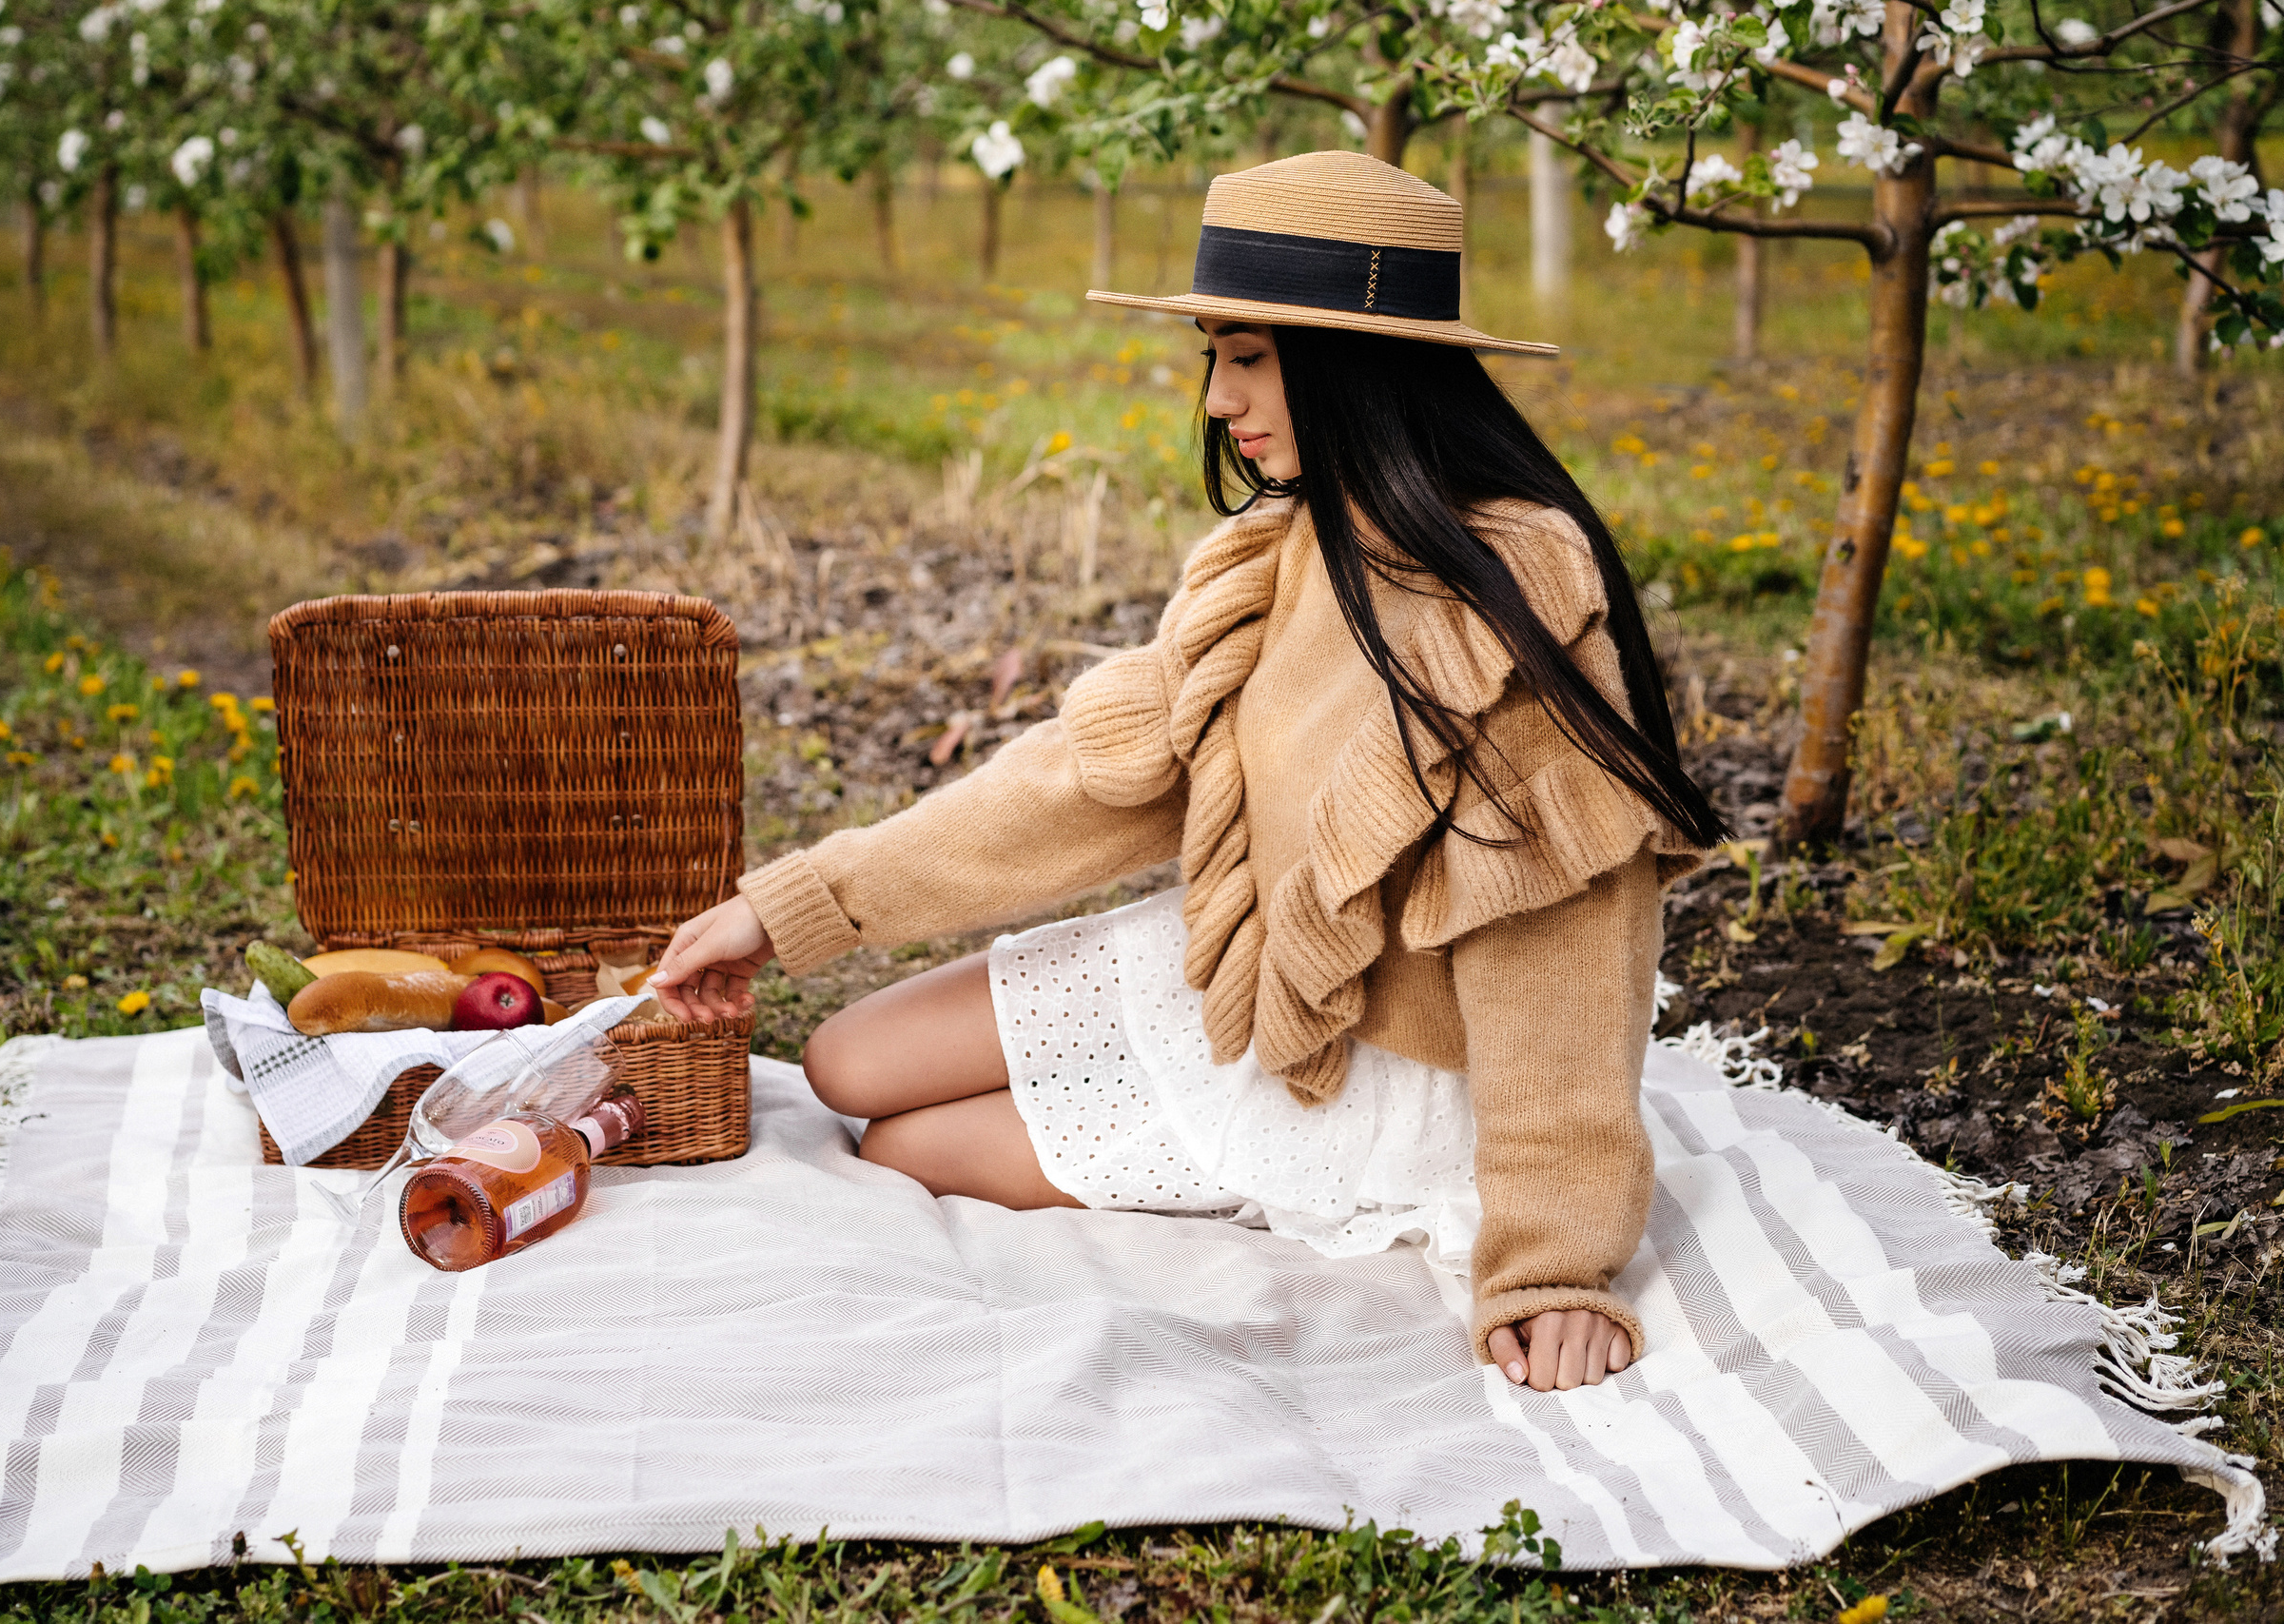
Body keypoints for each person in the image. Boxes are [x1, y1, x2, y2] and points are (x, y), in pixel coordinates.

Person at [652, 151, 1727, 1393]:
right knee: (844, 1063)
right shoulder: (1284, 547)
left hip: (1365, 1060)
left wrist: (1549, 1260)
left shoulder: (1499, 594)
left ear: (1357, 368)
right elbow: (1074, 784)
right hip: (1239, 958)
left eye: (1251, 357)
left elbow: (1561, 948)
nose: (1218, 399)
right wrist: (789, 906)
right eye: (1214, 354)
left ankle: (1275, 1160)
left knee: (900, 1150)